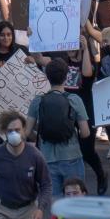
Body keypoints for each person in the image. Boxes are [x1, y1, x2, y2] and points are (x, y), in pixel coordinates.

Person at [28, 58, 91, 197]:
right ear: (66, 76)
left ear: (47, 77)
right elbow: (85, 133)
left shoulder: (38, 101)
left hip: (47, 157)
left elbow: (27, 132)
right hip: (72, 156)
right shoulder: (74, 99)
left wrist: (42, 133)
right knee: (76, 202)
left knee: (56, 204)